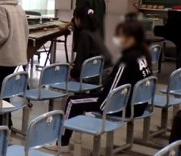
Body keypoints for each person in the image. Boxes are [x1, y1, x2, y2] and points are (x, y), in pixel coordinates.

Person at [61, 19, 152, 147]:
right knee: (88, 96)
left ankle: (62, 143)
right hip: (138, 105)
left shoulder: (126, 60)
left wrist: (102, 107)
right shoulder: (142, 54)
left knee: (72, 101)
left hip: (121, 106)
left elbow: (113, 89)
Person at [70, 6, 112, 81]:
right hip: (106, 72)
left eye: (75, 18)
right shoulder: (95, 32)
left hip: (95, 75)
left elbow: (80, 65)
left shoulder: (84, 35)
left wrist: (71, 72)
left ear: (78, 19)